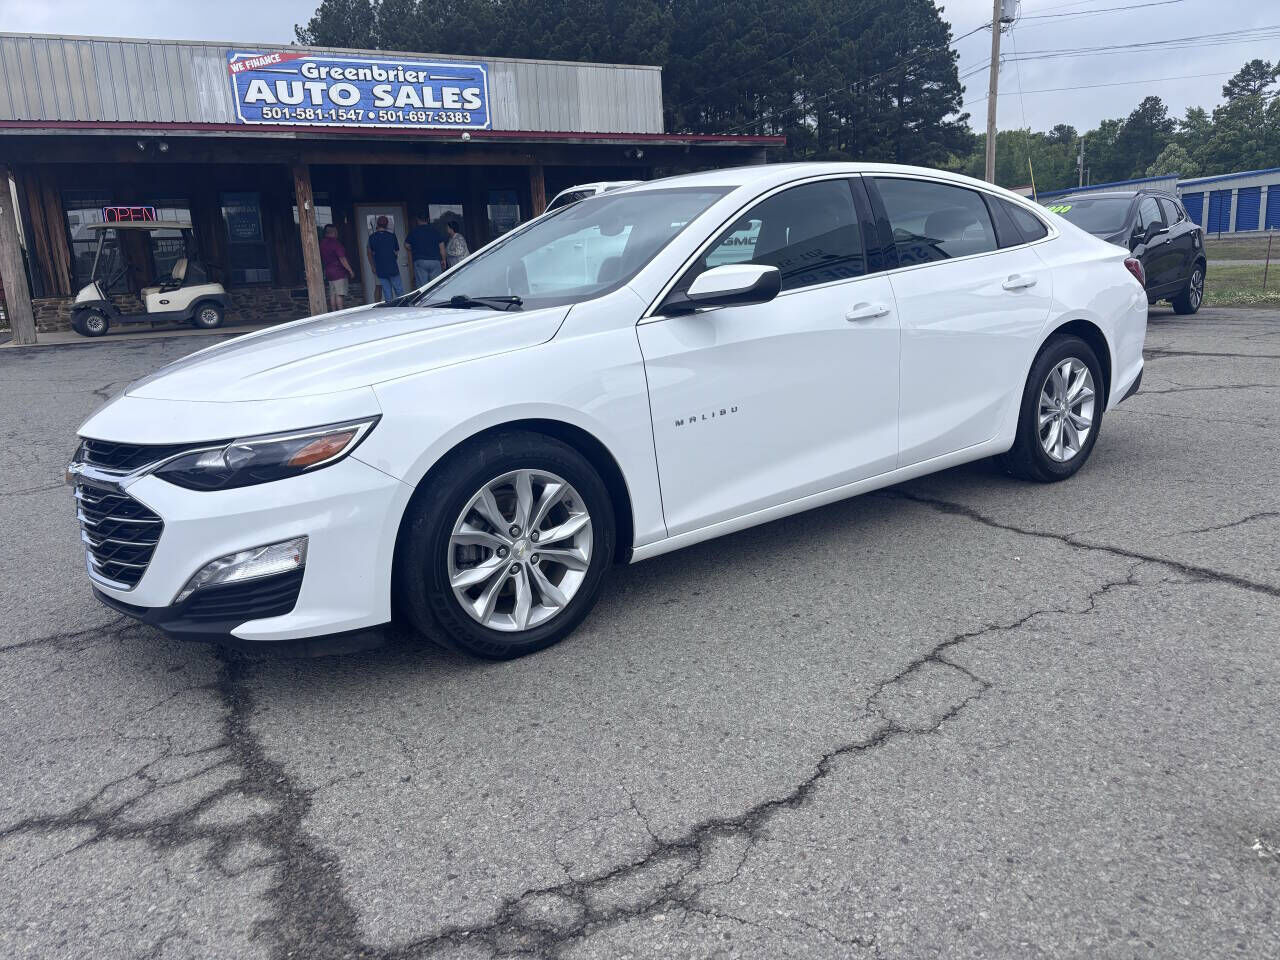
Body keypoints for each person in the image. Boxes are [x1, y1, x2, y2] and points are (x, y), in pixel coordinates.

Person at [366, 215, 403, 301]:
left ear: (377, 225)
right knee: (399, 291)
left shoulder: (371, 238)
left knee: (387, 292)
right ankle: (403, 308)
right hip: (393, 267)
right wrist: (393, 258)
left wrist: (373, 266)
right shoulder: (392, 236)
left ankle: (390, 310)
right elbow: (397, 251)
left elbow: (369, 253)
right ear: (387, 225)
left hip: (380, 268)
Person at [318, 224, 355, 312]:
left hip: (328, 271)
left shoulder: (322, 243)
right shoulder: (335, 243)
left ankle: (334, 312)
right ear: (333, 232)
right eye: (336, 231)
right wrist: (350, 270)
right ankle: (340, 311)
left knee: (332, 294)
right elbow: (342, 258)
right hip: (338, 271)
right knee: (339, 294)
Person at [405, 213, 446, 287]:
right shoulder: (435, 231)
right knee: (436, 286)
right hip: (435, 261)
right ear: (428, 220)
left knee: (423, 287)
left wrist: (414, 248)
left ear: (417, 220)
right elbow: (442, 247)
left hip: (420, 261)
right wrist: (443, 260)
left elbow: (407, 245)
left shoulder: (414, 231)